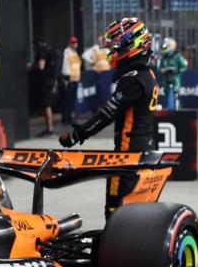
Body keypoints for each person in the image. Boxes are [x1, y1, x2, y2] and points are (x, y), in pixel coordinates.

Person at [59, 18, 158, 218]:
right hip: (142, 150)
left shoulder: (132, 79)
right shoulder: (147, 74)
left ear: (131, 46)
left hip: (127, 157)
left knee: (115, 213)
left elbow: (106, 114)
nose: (112, 53)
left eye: (115, 47)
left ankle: (117, 248)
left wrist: (77, 135)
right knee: (136, 213)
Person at [30, 39, 59, 136]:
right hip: (50, 81)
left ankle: (50, 128)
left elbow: (41, 66)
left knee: (46, 105)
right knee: (46, 105)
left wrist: (31, 66)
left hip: (45, 82)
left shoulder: (42, 50)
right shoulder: (51, 50)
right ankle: (49, 128)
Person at [159, 37, 188, 109]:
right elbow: (160, 68)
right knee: (166, 92)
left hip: (175, 77)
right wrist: (163, 70)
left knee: (176, 93)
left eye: (165, 46)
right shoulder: (163, 58)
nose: (163, 48)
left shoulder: (177, 56)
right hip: (166, 78)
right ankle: (168, 107)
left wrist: (177, 70)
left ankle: (177, 108)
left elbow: (184, 67)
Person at [60, 36, 81, 125]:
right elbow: (65, 64)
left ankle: (70, 117)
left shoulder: (75, 53)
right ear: (69, 43)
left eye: (75, 42)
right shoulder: (67, 52)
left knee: (72, 100)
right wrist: (66, 77)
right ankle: (66, 118)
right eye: (73, 42)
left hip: (75, 78)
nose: (74, 44)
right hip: (69, 79)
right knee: (67, 100)